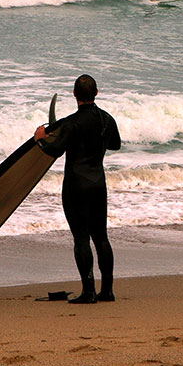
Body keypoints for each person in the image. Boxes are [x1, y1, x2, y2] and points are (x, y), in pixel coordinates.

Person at [34, 75, 121, 304]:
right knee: (101, 237)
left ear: (74, 94)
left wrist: (40, 139)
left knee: (81, 238)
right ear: (97, 93)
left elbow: (54, 151)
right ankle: (107, 291)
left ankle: (89, 291)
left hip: (76, 187)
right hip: (98, 185)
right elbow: (115, 144)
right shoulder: (106, 120)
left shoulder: (72, 123)